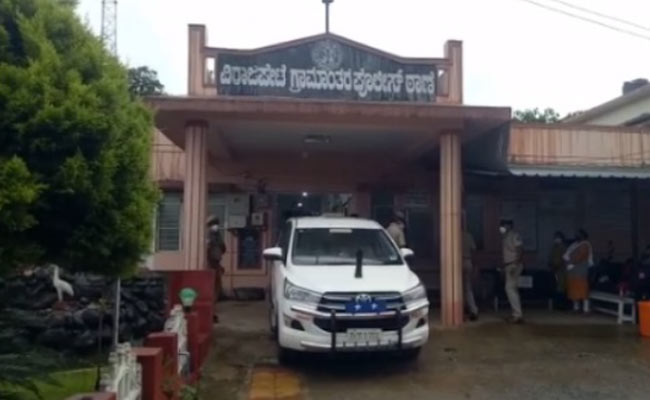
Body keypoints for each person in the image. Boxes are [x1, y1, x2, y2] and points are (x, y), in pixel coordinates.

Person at [500, 219, 524, 323]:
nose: (502, 227)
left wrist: (515, 264)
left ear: (509, 225)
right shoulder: (505, 236)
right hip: (509, 265)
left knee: (509, 288)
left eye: (504, 225)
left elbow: (520, 249)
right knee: (512, 289)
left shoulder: (514, 235)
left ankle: (517, 315)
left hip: (514, 265)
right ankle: (516, 314)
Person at [563, 229, 593, 312]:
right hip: (572, 272)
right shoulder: (574, 244)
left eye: (578, 234)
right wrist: (568, 263)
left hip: (580, 271)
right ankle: (576, 308)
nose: (576, 236)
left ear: (583, 235)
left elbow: (580, 256)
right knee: (573, 290)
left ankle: (586, 309)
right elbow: (567, 255)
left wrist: (572, 263)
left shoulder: (585, 244)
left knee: (583, 290)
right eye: (576, 234)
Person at [206, 216, 226, 321]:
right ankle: (211, 313)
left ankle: (212, 312)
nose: (215, 226)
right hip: (211, 265)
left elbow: (223, 247)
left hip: (216, 263)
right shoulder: (209, 236)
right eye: (213, 224)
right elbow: (209, 251)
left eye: (216, 224)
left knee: (216, 289)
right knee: (213, 289)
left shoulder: (217, 235)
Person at [463, 225, 479, 321]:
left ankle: (461, 309)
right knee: (468, 288)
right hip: (468, 261)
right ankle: (473, 310)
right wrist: (476, 265)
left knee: (456, 288)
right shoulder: (468, 236)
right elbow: (474, 251)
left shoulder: (452, 235)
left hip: (456, 263)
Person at [549, 231, 568, 307]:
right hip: (554, 269)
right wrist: (551, 265)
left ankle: (562, 305)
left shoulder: (563, 247)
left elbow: (563, 259)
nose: (556, 239)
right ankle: (557, 304)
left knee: (561, 287)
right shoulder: (553, 247)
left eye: (557, 237)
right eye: (555, 237)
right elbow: (551, 257)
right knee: (556, 287)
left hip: (561, 270)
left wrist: (556, 265)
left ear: (561, 238)